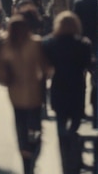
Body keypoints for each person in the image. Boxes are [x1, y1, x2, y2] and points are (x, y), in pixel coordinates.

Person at [0, 16, 48, 174]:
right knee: (36, 128)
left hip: (15, 93)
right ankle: (31, 154)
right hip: (34, 93)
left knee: (21, 126)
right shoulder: (35, 43)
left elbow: (1, 74)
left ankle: (25, 157)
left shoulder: (5, 46)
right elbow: (45, 68)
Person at [42, 12, 92, 174]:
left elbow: (45, 57)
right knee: (76, 120)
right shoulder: (83, 44)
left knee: (60, 121)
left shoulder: (52, 43)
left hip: (59, 85)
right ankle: (73, 144)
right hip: (77, 86)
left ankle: (65, 157)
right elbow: (87, 64)